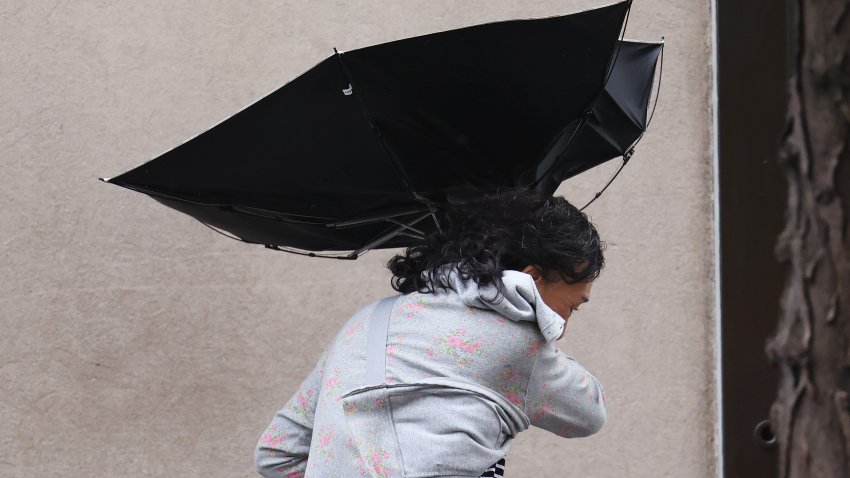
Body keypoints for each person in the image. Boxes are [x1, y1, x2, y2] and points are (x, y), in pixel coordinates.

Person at [254, 188, 607, 477]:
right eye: (571, 307)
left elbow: (277, 453)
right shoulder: (516, 343)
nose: (564, 326)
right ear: (530, 279)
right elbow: (588, 414)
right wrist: (539, 329)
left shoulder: (361, 326)